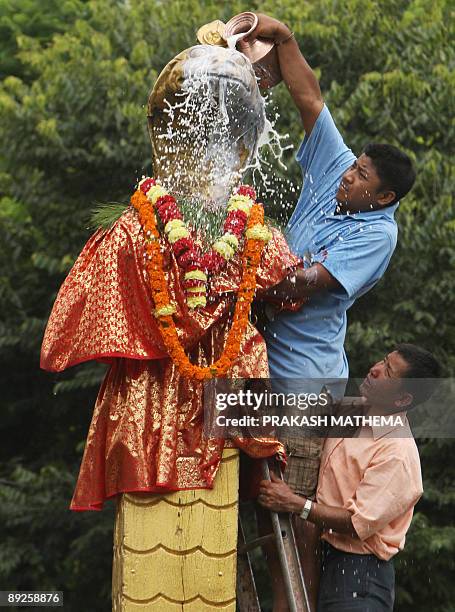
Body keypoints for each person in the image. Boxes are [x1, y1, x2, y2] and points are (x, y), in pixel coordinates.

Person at [257, 343, 441, 611]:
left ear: (402, 400)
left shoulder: (398, 453)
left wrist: (295, 504)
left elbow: (356, 523)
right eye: (382, 360)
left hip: (361, 574)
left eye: (388, 372)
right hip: (324, 555)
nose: (375, 369)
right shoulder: (353, 410)